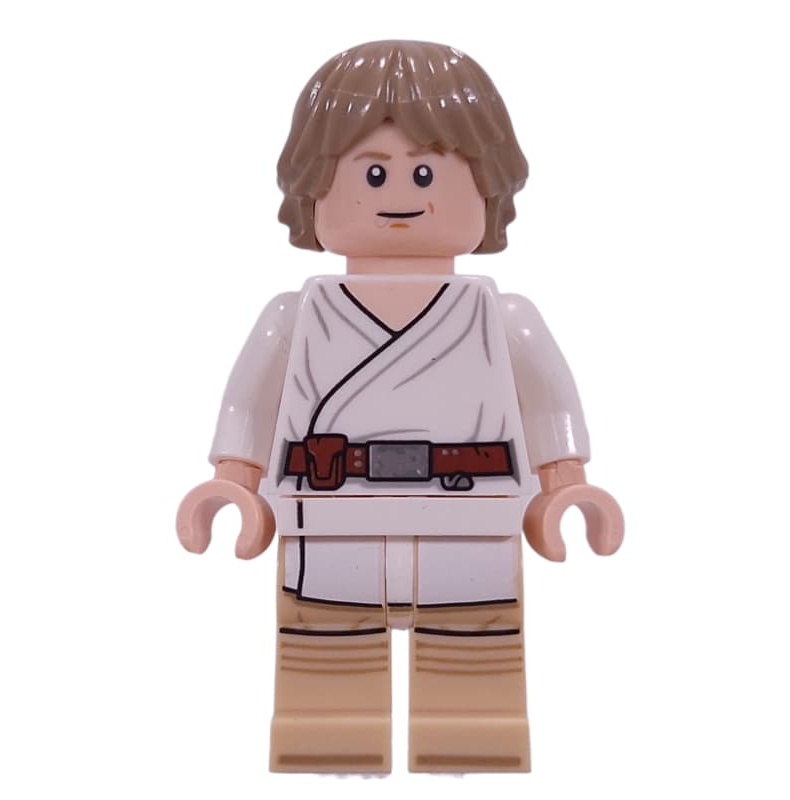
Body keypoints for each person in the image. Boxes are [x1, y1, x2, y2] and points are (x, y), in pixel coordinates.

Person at [177, 40, 624, 774]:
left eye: (425, 173)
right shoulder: (296, 315)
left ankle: (470, 741)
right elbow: (248, 410)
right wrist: (233, 481)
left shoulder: (501, 316)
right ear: (314, 188)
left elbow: (550, 408)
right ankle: (331, 743)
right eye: (372, 173)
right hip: (329, 516)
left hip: (471, 514)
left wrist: (566, 486)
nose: (399, 194)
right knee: (327, 653)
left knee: (472, 652)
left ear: (487, 186)